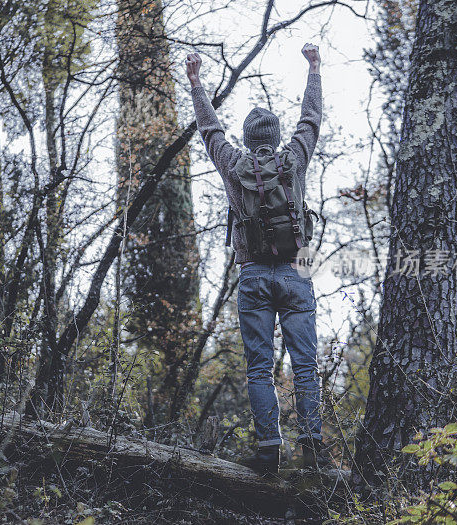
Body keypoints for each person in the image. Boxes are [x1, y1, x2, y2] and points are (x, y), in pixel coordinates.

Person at [185, 44, 325, 474]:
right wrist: (314, 68)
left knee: (259, 368)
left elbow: (210, 130)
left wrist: (195, 81)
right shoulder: (294, 158)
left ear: (247, 140)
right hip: (296, 270)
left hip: (252, 277)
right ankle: (313, 450)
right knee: (306, 364)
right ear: (277, 136)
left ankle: (269, 450)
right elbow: (311, 118)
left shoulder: (232, 164)